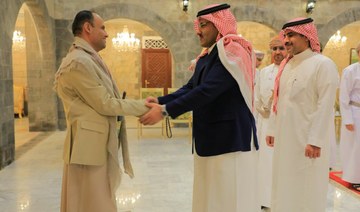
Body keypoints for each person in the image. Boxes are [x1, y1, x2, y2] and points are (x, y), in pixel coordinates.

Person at [140, 3, 259, 212]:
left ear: (218, 25)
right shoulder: (208, 55)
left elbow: (207, 91)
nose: (198, 30)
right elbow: (191, 87)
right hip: (211, 137)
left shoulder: (232, 51)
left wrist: (166, 111)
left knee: (226, 198)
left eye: (204, 25)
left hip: (229, 139)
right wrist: (160, 101)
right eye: (198, 25)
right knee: (209, 196)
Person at [53, 10, 149, 212]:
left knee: (92, 201)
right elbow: (105, 103)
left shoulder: (86, 58)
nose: (107, 33)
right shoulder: (79, 61)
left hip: (92, 145)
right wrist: (145, 106)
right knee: (93, 203)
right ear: (88, 28)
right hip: (88, 149)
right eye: (103, 28)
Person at [265, 17, 339, 212]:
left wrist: (315, 140)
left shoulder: (323, 64)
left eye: (291, 35)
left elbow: (325, 106)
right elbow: (278, 101)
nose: (286, 40)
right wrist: (272, 128)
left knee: (306, 185)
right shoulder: (287, 66)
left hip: (306, 141)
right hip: (285, 139)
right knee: (284, 183)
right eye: (285, 35)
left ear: (306, 36)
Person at [255, 36, 287, 210]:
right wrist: (264, 106)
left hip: (283, 126)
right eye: (274, 49)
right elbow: (257, 99)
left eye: (281, 48)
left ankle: (280, 199)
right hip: (265, 123)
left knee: (280, 163)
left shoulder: (291, 70)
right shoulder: (264, 72)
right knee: (265, 163)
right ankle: (264, 198)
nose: (277, 53)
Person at [339, 42, 360, 191]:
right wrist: (347, 119)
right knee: (355, 147)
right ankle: (353, 177)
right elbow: (343, 96)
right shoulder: (350, 70)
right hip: (355, 112)